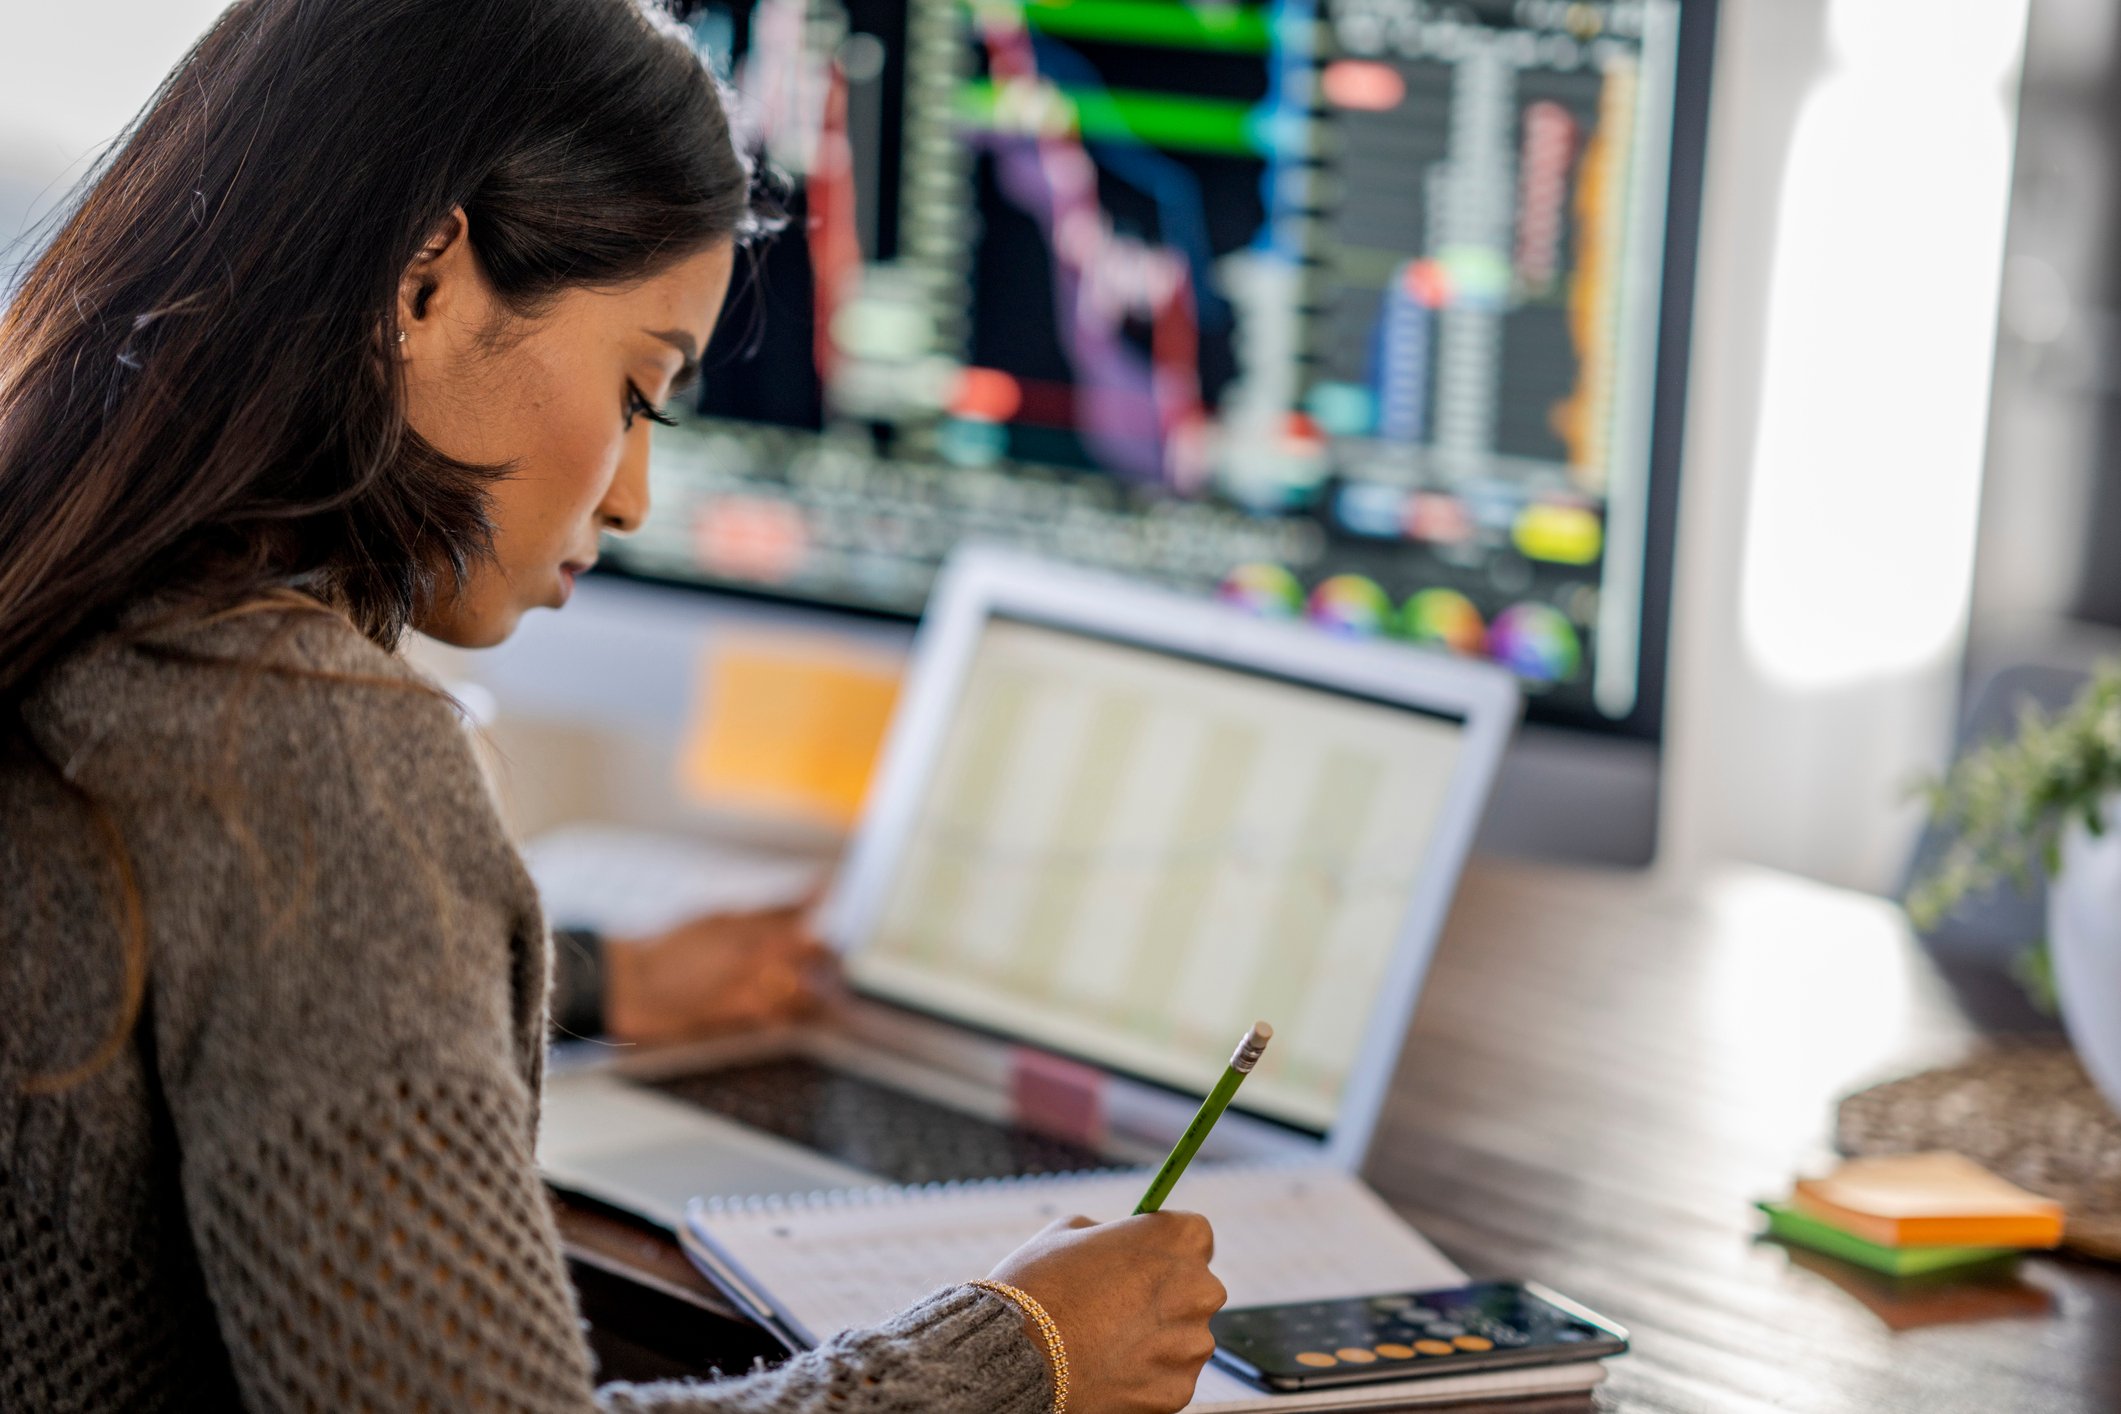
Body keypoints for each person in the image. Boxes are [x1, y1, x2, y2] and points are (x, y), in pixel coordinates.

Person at [0, 2, 1226, 1411]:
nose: (633, 494)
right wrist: (1022, 1348)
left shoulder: (72, 604)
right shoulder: (308, 751)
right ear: (427, 286)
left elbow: (187, 949)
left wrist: (592, 977)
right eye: (641, 387)